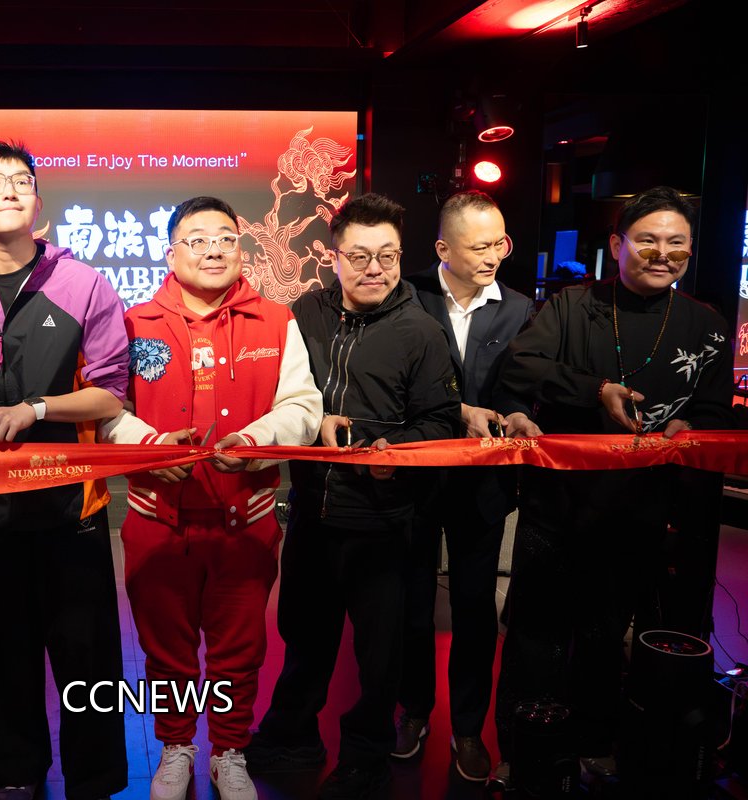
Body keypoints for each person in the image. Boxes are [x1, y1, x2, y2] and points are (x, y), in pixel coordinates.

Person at [493, 185, 735, 780]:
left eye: (677, 243)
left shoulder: (705, 323)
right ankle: (524, 756)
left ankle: (595, 744)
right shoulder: (573, 305)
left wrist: (689, 426)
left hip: (647, 512)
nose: (662, 254)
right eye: (647, 240)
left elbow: (713, 409)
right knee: (537, 634)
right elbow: (521, 365)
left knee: (608, 635)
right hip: (559, 507)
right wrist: (594, 390)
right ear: (618, 244)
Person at [0, 141, 129, 800]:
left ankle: (95, 782)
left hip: (73, 509)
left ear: (38, 202)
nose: (9, 190)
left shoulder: (84, 284)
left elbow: (111, 395)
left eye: (20, 180)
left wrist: (37, 407)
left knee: (87, 660)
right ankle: (14, 777)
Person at [101, 196, 321, 800]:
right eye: (196, 240)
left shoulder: (276, 321)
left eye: (225, 237)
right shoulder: (133, 323)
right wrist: (150, 447)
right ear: (171, 253)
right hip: (158, 522)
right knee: (165, 650)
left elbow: (303, 406)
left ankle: (229, 751)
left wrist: (255, 441)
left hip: (244, 521)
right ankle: (176, 746)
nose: (214, 249)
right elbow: (105, 410)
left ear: (241, 248)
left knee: (239, 650)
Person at [246, 193, 460, 799]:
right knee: (304, 637)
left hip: (384, 520)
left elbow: (442, 422)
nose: (375, 269)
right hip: (312, 514)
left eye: (388, 256)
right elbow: (287, 397)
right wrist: (313, 423)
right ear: (333, 257)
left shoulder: (421, 331)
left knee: (378, 656)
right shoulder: (304, 313)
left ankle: (366, 757)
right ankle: (292, 736)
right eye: (360, 256)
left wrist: (390, 450)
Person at [393, 190, 536, 781]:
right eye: (479, 247)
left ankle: (470, 729)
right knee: (411, 603)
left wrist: (518, 412)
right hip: (416, 477)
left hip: (483, 483)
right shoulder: (406, 297)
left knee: (476, 607)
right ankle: (412, 710)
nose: (493, 256)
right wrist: (458, 412)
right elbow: (397, 386)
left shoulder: (520, 309)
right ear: (442, 249)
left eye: (500, 243)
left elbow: (522, 385)